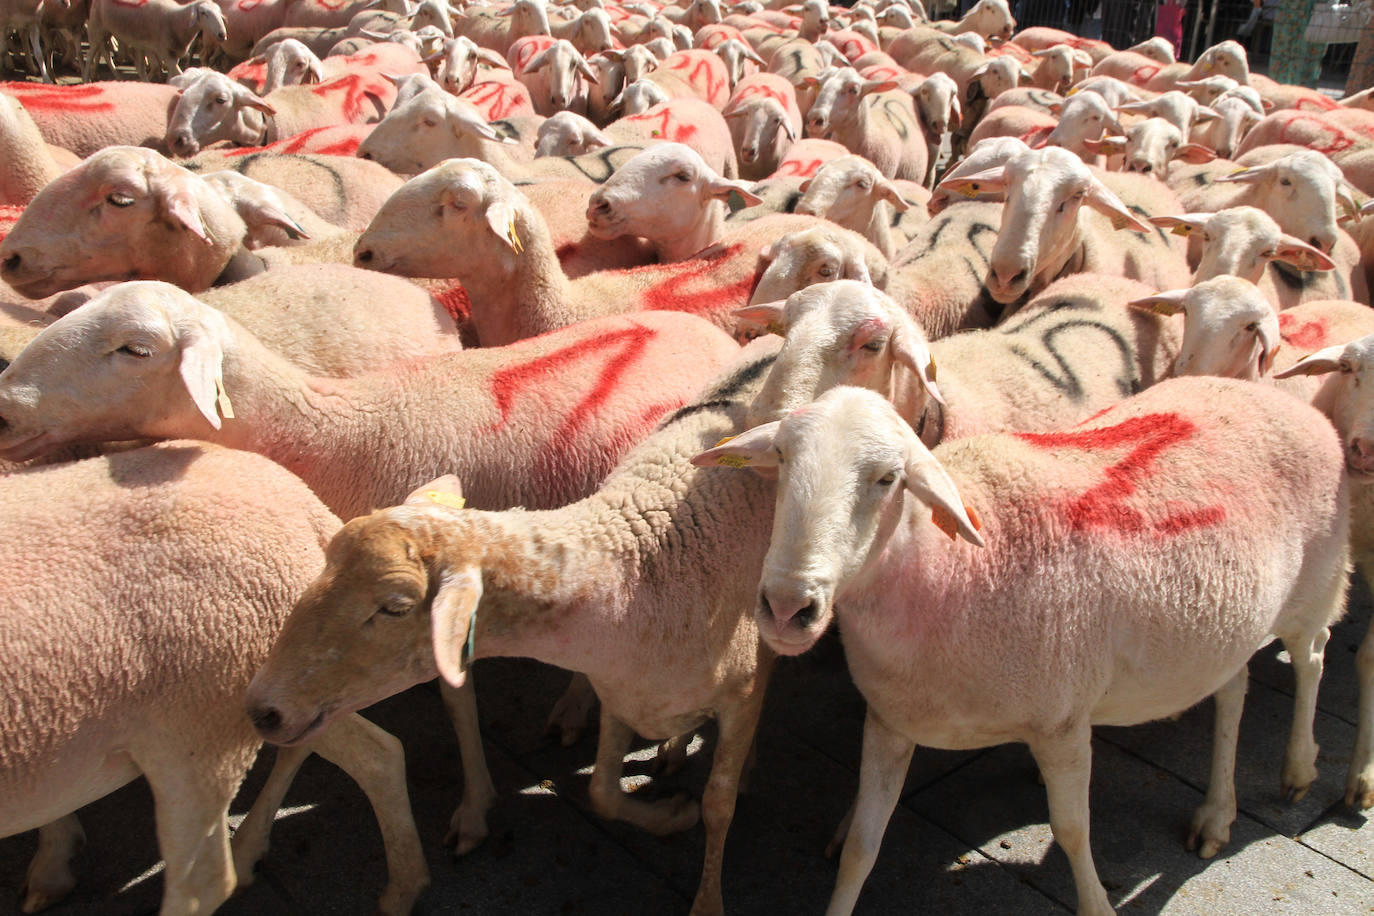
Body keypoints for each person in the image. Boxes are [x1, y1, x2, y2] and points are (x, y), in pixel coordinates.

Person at [1270, 0, 1328, 86]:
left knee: (1307, 56)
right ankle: (1279, 88)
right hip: (1291, 10)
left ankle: (1301, 90)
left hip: (1314, 12)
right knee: (1283, 52)